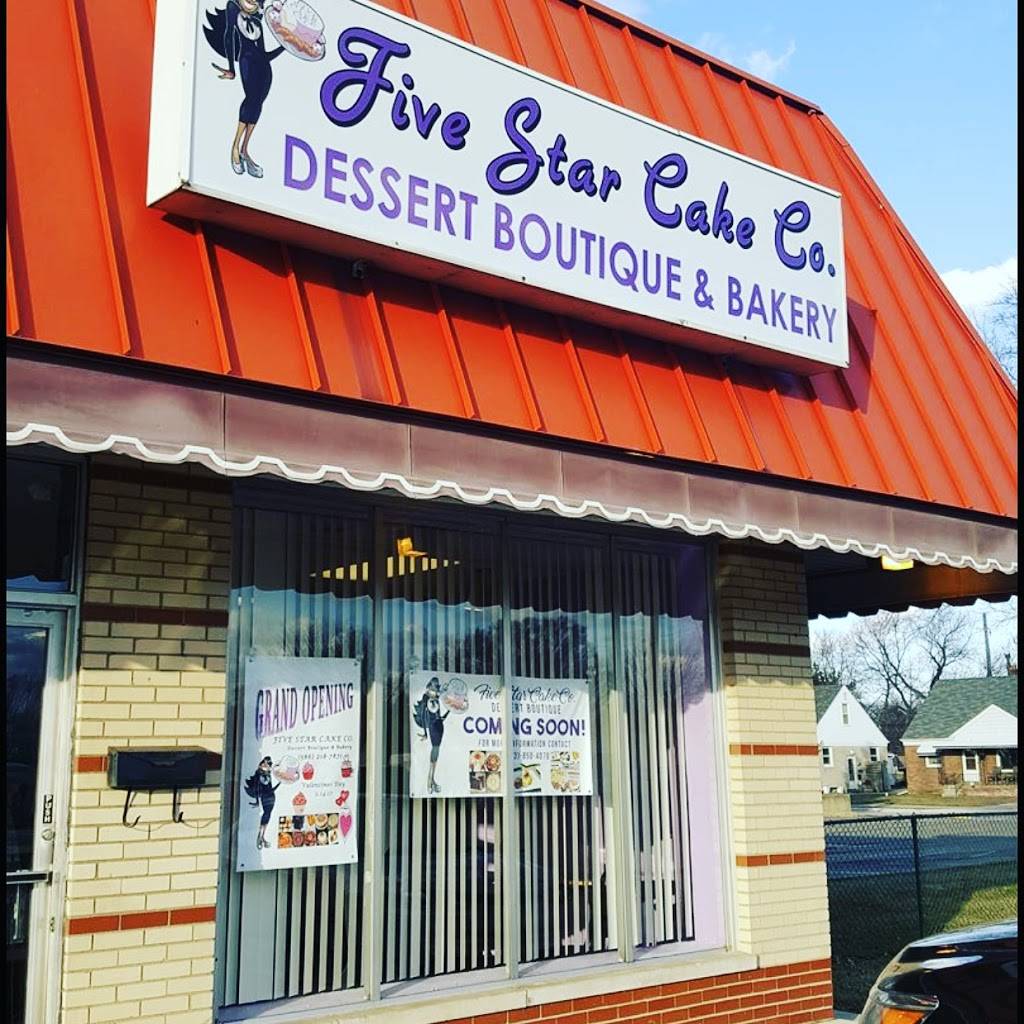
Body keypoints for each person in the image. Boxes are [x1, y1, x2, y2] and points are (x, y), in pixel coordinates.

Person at [204, 1, 286, 177]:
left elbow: (264, 54)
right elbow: (229, 36)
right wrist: (231, 69)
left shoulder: (258, 20)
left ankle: (245, 150)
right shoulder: (233, 7)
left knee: (258, 104)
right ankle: (235, 146)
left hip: (264, 68)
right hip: (247, 61)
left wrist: (284, 47)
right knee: (251, 100)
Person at [412, 678, 449, 795]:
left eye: (437, 686)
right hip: (433, 727)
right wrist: (425, 732)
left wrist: (449, 711)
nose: (437, 688)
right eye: (435, 686)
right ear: (430, 686)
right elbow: (424, 716)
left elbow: (439, 716)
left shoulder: (436, 698)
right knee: (435, 750)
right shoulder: (426, 697)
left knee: (436, 751)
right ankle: (429, 781)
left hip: (439, 726)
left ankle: (432, 780)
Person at [244, 755, 280, 850]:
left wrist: (280, 782)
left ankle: (262, 836)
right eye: (265, 763)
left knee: (268, 815)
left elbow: (271, 788)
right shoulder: (259, 775)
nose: (267, 765)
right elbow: (259, 789)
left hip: (271, 797)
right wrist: (257, 801)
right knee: (266, 814)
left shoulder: (268, 774)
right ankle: (260, 836)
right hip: (266, 798)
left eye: (268, 763)